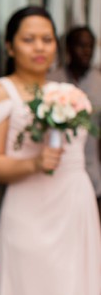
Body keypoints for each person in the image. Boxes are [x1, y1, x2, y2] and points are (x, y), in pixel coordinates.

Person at [0, 7, 101, 295]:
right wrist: (34, 164)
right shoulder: (2, 90)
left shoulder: (70, 94)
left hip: (74, 208)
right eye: (29, 39)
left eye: (46, 39)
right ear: (11, 46)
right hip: (28, 214)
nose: (39, 47)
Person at [48, 25, 101, 214]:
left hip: (93, 172)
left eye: (90, 47)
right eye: (81, 46)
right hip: (55, 171)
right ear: (69, 48)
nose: (87, 52)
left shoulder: (99, 82)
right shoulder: (51, 81)